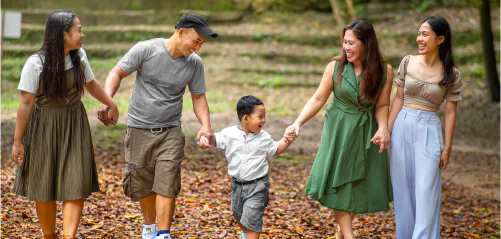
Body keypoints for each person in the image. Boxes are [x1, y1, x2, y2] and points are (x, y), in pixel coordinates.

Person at [96, 14, 217, 239]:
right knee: (142, 184)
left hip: (170, 130)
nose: (198, 48)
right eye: (196, 41)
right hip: (139, 129)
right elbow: (117, 72)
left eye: (202, 43)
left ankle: (163, 233)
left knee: (167, 182)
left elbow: (198, 97)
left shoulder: (194, 63)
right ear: (181, 32)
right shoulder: (146, 49)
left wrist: (205, 127)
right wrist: (108, 100)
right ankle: (150, 228)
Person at [11, 10, 119, 239]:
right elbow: (26, 103)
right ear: (62, 35)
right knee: (44, 182)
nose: (82, 34)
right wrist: (18, 141)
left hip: (74, 123)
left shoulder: (78, 56)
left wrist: (111, 104)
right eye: (78, 29)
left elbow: (90, 84)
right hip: (43, 126)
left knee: (75, 178)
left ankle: (70, 236)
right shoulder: (35, 63)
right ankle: (49, 235)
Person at [286, 20, 393, 239]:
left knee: (354, 182)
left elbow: (382, 105)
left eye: (352, 43)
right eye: (344, 42)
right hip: (339, 130)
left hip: (366, 131)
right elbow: (318, 98)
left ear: (367, 44)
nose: (346, 47)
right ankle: (348, 235)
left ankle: (341, 232)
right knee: (339, 180)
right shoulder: (335, 67)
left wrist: (383, 128)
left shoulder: (385, 71)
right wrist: (298, 122)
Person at [388, 16, 462, 239]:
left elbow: (450, 112)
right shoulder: (407, 62)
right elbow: (398, 99)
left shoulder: (452, 74)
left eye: (425, 34)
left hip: (429, 129)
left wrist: (447, 148)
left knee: (425, 191)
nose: (419, 39)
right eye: (419, 33)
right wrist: (386, 131)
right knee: (403, 191)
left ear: (440, 39)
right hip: (402, 125)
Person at [198, 95, 296, 239]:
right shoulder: (229, 134)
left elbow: (276, 149)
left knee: (253, 217)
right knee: (239, 214)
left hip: (258, 186)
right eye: (260, 117)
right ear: (245, 118)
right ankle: (244, 233)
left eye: (264, 116)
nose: (264, 120)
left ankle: (249, 234)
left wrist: (287, 139)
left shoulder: (264, 137)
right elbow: (214, 139)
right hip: (237, 185)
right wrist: (204, 138)